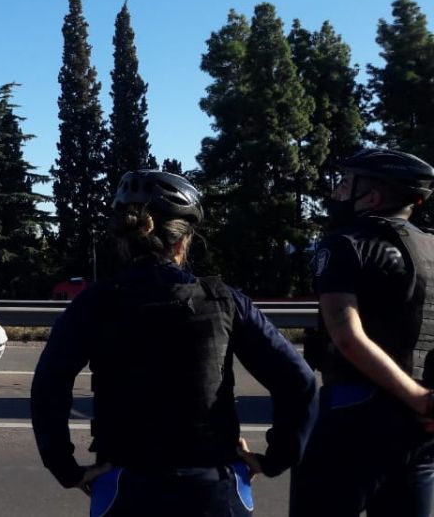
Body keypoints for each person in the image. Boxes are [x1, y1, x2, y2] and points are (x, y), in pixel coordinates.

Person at [31, 170, 318, 517]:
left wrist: (65, 468)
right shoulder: (224, 301)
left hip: (126, 484)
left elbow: (49, 384)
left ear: (124, 239)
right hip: (212, 483)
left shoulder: (94, 303)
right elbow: (298, 380)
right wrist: (273, 460)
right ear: (183, 241)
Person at [290, 148, 434, 516]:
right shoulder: (430, 247)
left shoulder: (345, 245)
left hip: (355, 412)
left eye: (345, 183)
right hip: (420, 425)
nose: (336, 191)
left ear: (371, 197)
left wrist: (417, 397)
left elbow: (346, 336)